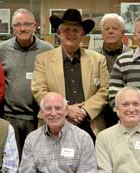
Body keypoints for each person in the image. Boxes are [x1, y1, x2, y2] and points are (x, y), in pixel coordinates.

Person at [32, 9, 110, 138]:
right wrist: (66, 109)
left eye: (75, 30)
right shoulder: (43, 60)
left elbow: (105, 90)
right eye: (66, 29)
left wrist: (84, 111)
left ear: (82, 34)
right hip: (54, 125)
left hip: (89, 125)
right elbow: (39, 90)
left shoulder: (98, 60)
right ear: (58, 33)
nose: (71, 34)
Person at [0, 8, 53, 153]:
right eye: (18, 25)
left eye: (27, 24)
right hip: (9, 117)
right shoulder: (2, 50)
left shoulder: (48, 50)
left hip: (39, 118)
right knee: (11, 160)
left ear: (35, 26)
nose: (23, 28)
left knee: (36, 159)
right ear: (13, 28)